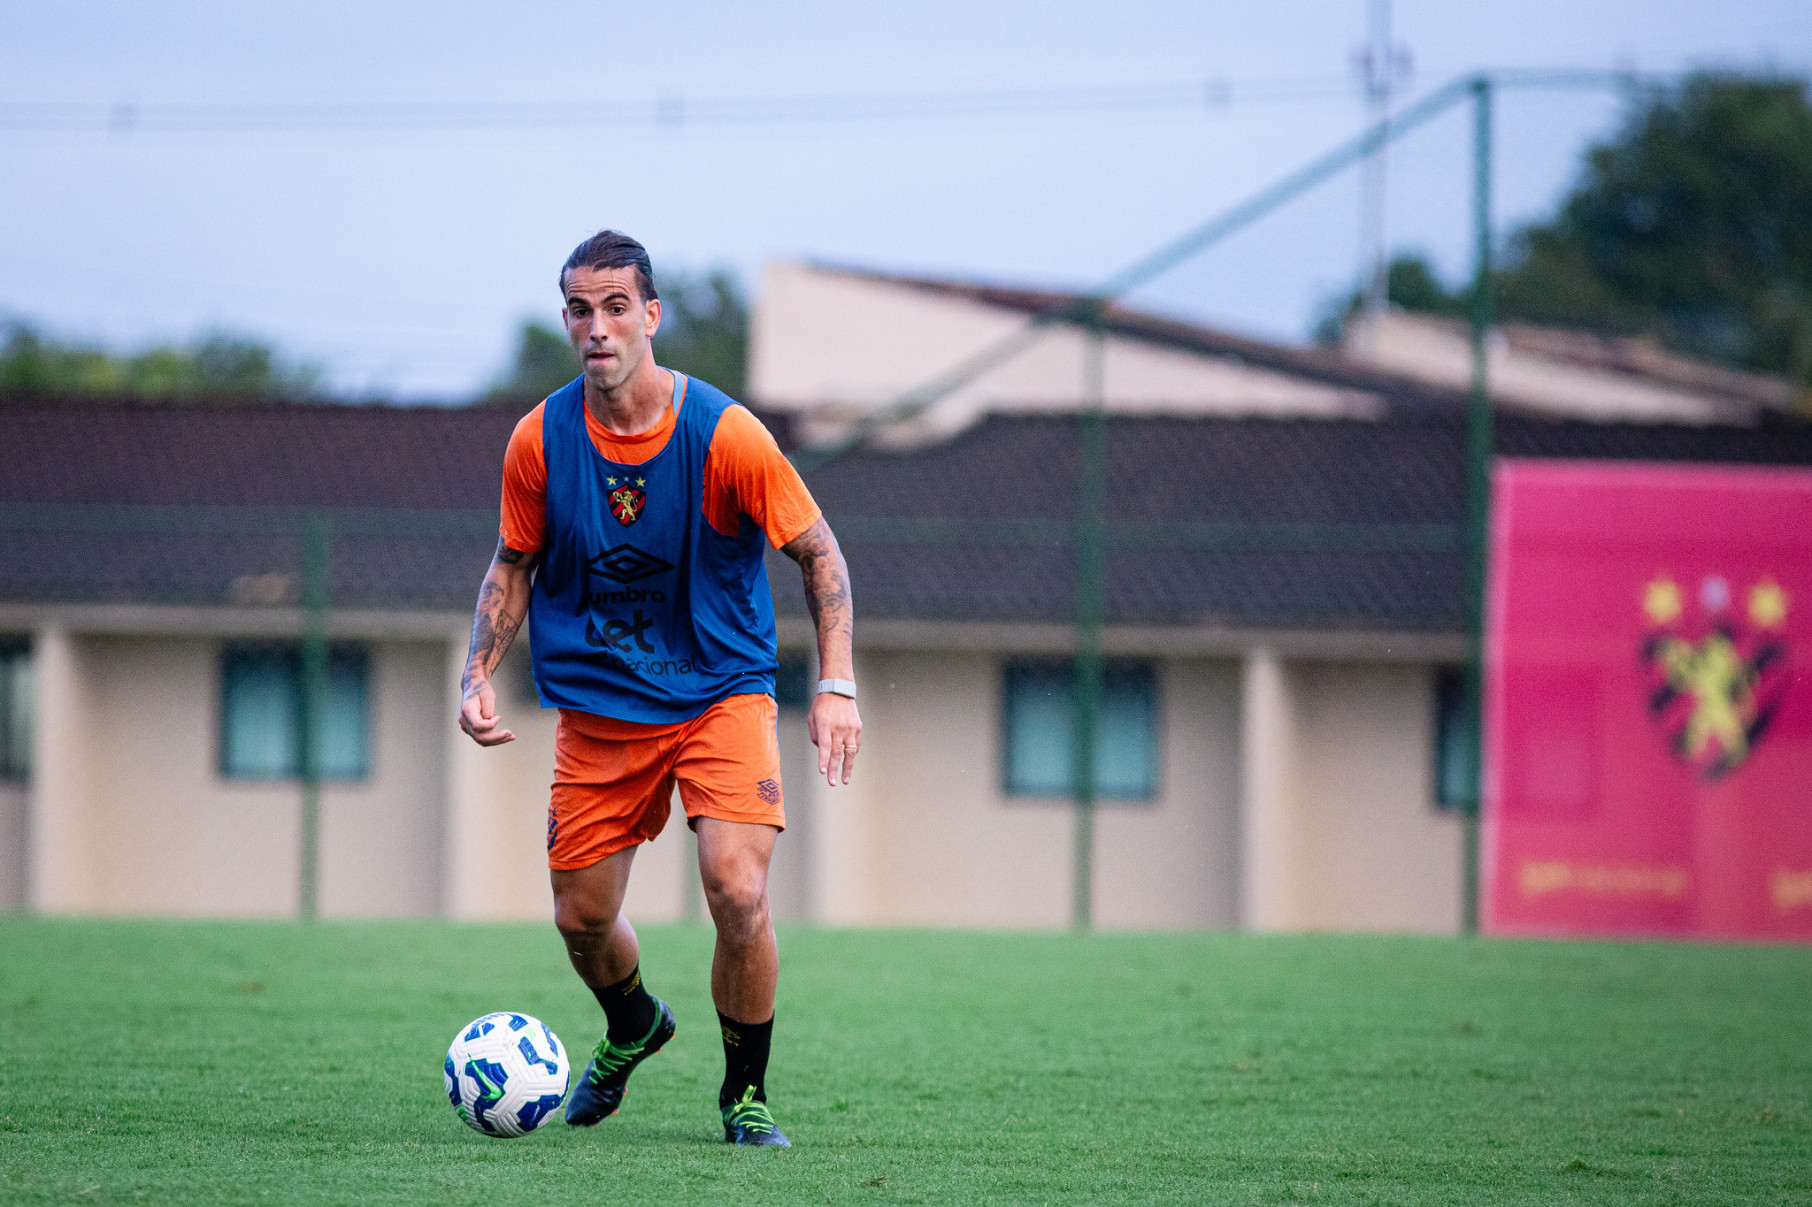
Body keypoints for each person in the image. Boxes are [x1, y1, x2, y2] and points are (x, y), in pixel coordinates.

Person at [457, 229, 861, 1147]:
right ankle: (634, 1023)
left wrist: (835, 682)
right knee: (582, 918)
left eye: (613, 307)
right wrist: (477, 670)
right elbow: (512, 563)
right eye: (577, 309)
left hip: (722, 692)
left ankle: (744, 1097)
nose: (595, 327)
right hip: (601, 709)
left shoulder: (725, 432)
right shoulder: (541, 439)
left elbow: (818, 552)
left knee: (737, 889)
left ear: (651, 315)